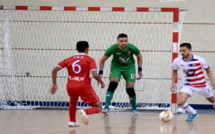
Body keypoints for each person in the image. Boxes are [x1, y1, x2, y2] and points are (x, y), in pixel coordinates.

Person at [50, 41, 105, 127]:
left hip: (70, 86)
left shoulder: (68, 59)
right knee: (98, 107)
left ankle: (72, 121)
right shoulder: (90, 60)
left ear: (76, 49)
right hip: (83, 86)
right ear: (87, 49)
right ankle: (84, 111)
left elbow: (54, 70)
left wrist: (54, 84)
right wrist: (101, 81)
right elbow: (94, 74)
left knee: (73, 102)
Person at [99, 33, 143, 115]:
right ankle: (106, 107)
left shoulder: (132, 47)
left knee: (130, 89)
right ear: (117, 41)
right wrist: (101, 72)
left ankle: (134, 108)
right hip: (116, 67)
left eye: (125, 41)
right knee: (113, 84)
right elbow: (102, 60)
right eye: (121, 41)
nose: (124, 43)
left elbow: (139, 56)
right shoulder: (113, 48)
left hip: (129, 67)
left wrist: (140, 70)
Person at [171, 43, 215, 121]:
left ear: (190, 50)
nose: (182, 52)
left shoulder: (199, 60)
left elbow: (208, 70)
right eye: (180, 51)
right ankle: (193, 113)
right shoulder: (177, 61)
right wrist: (172, 84)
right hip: (187, 85)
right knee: (180, 102)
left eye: (184, 50)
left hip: (201, 84)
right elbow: (174, 71)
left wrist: (212, 81)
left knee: (212, 100)